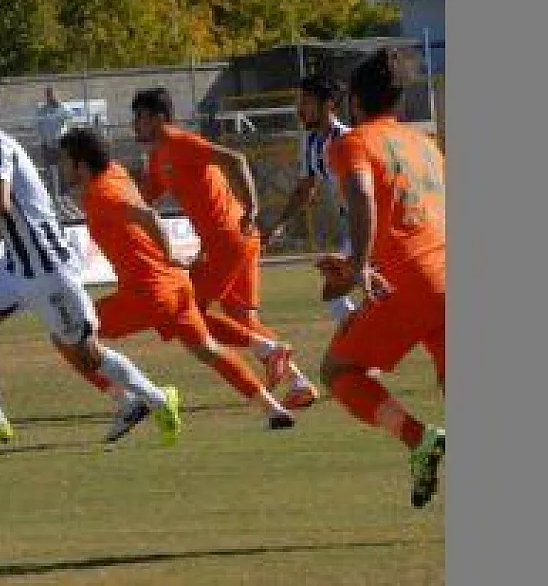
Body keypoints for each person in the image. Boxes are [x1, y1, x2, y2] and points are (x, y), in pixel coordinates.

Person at [0, 90, 182, 449]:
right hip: (14, 268)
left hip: (47, 271)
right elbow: (7, 215)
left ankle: (159, 400)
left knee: (87, 353)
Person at [56, 126, 297, 435]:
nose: (61, 167)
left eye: (65, 160)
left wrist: (169, 253)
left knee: (65, 335)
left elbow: (148, 216)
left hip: (148, 294)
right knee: (208, 350)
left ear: (81, 164)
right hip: (176, 286)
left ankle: (128, 400)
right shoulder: (114, 172)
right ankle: (273, 410)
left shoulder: (102, 194)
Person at [131, 87, 320, 410]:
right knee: (241, 318)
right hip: (235, 240)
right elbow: (144, 198)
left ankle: (269, 350)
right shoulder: (159, 156)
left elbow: (235, 159)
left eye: (140, 117)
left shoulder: (180, 142)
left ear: (159, 119)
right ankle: (299, 383)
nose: (135, 124)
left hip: (229, 239)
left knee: (187, 313)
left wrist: (252, 204)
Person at [320, 47, 446, 508]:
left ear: (354, 102)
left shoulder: (353, 142)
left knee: (338, 370)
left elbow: (363, 196)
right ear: (400, 100)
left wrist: (358, 265)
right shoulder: (425, 144)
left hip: (412, 281)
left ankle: (418, 437)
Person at [259, 74, 358, 325]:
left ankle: (367, 342)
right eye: (299, 101)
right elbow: (305, 189)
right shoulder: (311, 141)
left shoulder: (349, 139)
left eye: (307, 101)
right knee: (340, 295)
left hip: (378, 226)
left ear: (329, 104)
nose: (300, 108)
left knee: (338, 293)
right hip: (357, 228)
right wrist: (279, 224)